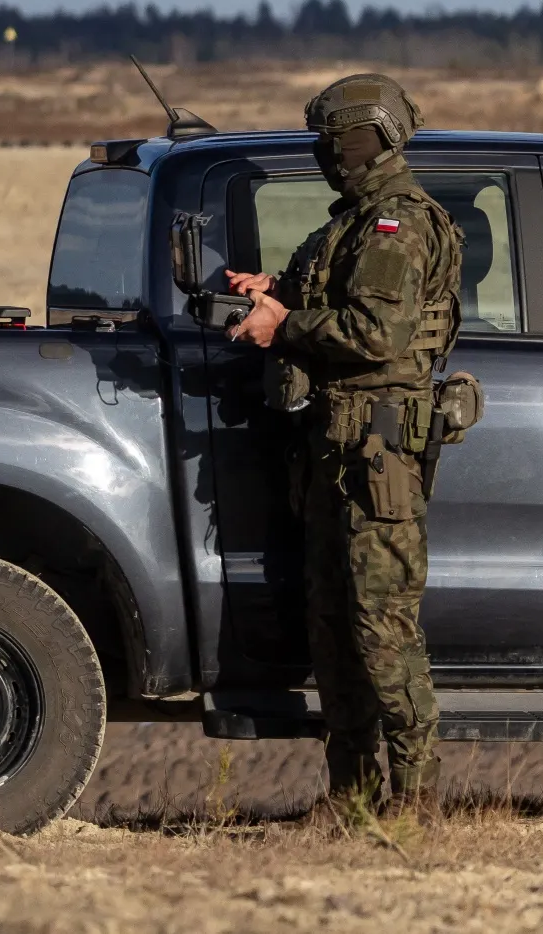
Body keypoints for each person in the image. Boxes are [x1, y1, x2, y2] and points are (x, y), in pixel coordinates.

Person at [223, 74, 464, 813]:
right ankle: (354, 797)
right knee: (333, 634)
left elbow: (378, 332)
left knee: (382, 633)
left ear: (365, 141)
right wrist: (274, 291)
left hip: (378, 462)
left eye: (334, 143)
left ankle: (416, 800)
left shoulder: (398, 223)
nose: (329, 157)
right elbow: (332, 292)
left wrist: (282, 328)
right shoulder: (350, 225)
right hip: (334, 456)